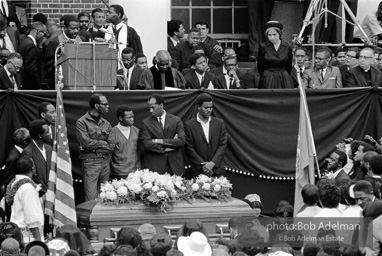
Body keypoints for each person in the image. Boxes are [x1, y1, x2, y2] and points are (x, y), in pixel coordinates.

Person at [76, 93, 113, 201]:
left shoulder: (106, 123)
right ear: (96, 106)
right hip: (90, 161)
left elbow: (112, 145)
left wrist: (98, 145)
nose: (108, 107)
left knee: (105, 195)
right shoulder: (82, 122)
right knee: (91, 197)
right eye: (105, 104)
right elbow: (85, 143)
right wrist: (103, 143)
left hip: (105, 161)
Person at [140, 93, 185, 175]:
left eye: (153, 107)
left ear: (161, 105)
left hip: (174, 166)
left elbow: (181, 141)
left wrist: (158, 141)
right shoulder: (146, 123)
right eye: (149, 108)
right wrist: (166, 148)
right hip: (155, 167)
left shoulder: (176, 120)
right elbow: (147, 144)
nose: (150, 111)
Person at [184, 93, 227, 178]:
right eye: (206, 107)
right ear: (198, 107)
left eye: (211, 107)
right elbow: (189, 148)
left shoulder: (219, 123)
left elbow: (223, 145)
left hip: (217, 171)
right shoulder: (189, 125)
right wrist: (204, 165)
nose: (209, 110)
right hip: (198, 172)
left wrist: (212, 163)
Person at [6, 156, 44, 242]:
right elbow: (31, 217)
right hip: (29, 240)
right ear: (33, 168)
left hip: (19, 235)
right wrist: (38, 241)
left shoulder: (15, 183)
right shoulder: (27, 188)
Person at [45, 15, 82, 89]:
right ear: (64, 28)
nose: (76, 31)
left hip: (78, 81)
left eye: (77, 28)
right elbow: (49, 67)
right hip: (60, 82)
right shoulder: (54, 42)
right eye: (72, 29)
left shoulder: (81, 40)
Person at [108, 105, 141, 180]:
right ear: (120, 118)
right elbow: (109, 153)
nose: (132, 119)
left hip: (136, 173)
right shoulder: (113, 133)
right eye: (129, 118)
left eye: (132, 117)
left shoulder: (137, 131)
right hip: (119, 173)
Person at [257, 21, 293, 89]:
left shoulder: (287, 46)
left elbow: (289, 66)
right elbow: (260, 66)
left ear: (280, 34)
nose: (272, 37)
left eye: (274, 34)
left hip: (283, 78)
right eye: (269, 35)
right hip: (268, 77)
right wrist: (266, 76)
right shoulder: (263, 46)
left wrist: (285, 76)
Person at [21, 120, 52, 196]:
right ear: (40, 136)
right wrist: (46, 192)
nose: (50, 134)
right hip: (39, 195)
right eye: (47, 132)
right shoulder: (28, 152)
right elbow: (33, 176)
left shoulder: (49, 148)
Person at [18, 21, 47, 90]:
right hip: (29, 86)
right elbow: (31, 69)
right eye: (44, 33)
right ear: (38, 32)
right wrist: (38, 86)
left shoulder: (25, 42)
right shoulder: (30, 45)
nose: (44, 37)